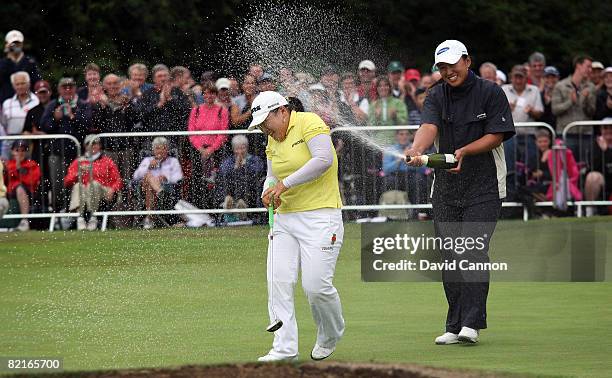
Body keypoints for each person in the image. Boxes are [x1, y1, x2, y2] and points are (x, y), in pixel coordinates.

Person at [406, 40, 515, 345]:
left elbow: (496, 135)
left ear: (467, 60)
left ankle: (471, 323)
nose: (448, 71)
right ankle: (454, 325)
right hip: (446, 187)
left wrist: (465, 150)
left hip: (485, 185)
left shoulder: (490, 92)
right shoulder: (437, 93)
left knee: (472, 250)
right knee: (451, 256)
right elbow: (428, 126)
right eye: (442, 67)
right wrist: (417, 149)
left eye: (452, 65)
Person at [249, 91, 344, 362]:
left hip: (321, 216)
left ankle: (330, 333)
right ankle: (284, 348)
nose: (264, 128)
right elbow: (271, 175)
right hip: (285, 218)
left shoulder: (309, 122)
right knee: (278, 281)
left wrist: (284, 185)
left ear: (282, 111)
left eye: (266, 121)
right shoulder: (271, 138)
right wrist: (268, 190)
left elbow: (323, 160)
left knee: (316, 287)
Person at [40, 77, 92, 213]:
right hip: (56, 153)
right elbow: (44, 126)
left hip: (78, 154)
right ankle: (59, 213)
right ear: (59, 89)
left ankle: (77, 214)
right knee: (57, 185)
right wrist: (55, 119)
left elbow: (87, 125)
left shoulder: (82, 104)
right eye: (64, 87)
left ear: (75, 88)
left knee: (77, 184)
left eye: (70, 86)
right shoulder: (53, 105)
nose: (68, 89)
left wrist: (72, 116)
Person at [64, 135, 122, 230]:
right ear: (85, 146)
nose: (93, 146)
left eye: (96, 143)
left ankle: (92, 217)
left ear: (100, 145)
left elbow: (118, 180)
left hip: (103, 191)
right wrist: (78, 174)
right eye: (90, 144)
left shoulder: (107, 161)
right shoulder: (78, 161)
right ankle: (80, 217)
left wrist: (113, 189)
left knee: (93, 184)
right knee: (79, 186)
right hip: (83, 191)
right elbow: (67, 181)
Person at [187, 83, 229, 209]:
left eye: (211, 93)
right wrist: (200, 148)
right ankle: (200, 208)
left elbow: (223, 133)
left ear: (215, 95)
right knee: (197, 180)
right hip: (198, 150)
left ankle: (215, 208)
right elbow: (191, 132)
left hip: (216, 151)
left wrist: (211, 149)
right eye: (206, 93)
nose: (209, 96)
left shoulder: (222, 110)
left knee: (217, 180)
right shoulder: (196, 110)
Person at [551, 55, 597, 162]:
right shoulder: (560, 85)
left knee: (585, 167)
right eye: (588, 66)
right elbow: (555, 110)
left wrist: (585, 101)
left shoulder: (590, 87)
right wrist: (570, 102)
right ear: (578, 66)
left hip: (585, 134)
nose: (590, 70)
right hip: (566, 133)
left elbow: (592, 112)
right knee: (566, 168)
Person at [132, 137, 183, 229]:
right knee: (147, 175)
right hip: (144, 190)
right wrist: (148, 167)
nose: (160, 151)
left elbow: (179, 177)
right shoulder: (147, 160)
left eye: (163, 148)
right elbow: (135, 176)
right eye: (157, 148)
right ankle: (160, 192)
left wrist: (166, 178)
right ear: (153, 150)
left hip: (167, 189)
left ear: (167, 149)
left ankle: (149, 218)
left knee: (150, 187)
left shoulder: (173, 161)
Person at [215, 135, 265, 222]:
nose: (240, 151)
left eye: (243, 148)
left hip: (249, 192)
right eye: (237, 148)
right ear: (233, 149)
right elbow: (222, 172)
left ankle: (242, 207)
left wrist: (244, 166)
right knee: (226, 182)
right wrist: (235, 167)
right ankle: (229, 204)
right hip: (231, 190)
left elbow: (258, 171)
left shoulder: (254, 160)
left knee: (247, 182)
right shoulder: (229, 161)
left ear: (247, 148)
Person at [1, 71, 39, 159]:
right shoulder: (7, 103)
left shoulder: (36, 101)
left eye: (23, 83)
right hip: (10, 143)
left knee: (28, 170)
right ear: (13, 86)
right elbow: (4, 123)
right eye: (17, 84)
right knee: (8, 170)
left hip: (30, 143)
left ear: (28, 84)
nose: (20, 86)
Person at [4, 140, 41, 231]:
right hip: (8, 192)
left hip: (28, 192)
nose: (20, 153)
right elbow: (3, 181)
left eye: (23, 150)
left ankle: (24, 220)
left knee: (19, 188)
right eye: (17, 150)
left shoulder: (32, 164)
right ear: (12, 152)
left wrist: (18, 169)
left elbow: (31, 181)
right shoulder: (7, 164)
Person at [0, 30, 42, 103]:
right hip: (6, 101)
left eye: (18, 43)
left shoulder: (30, 61)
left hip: (29, 101)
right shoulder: (2, 62)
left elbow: (37, 81)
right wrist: (8, 58)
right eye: (13, 44)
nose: (16, 46)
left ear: (22, 44)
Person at [368, 76, 408, 145]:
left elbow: (404, 123)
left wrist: (395, 116)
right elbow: (370, 127)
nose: (383, 88)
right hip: (378, 143)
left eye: (386, 85)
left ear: (390, 87)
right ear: (377, 88)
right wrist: (376, 117)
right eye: (380, 86)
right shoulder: (373, 105)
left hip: (395, 143)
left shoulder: (398, 103)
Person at [584, 123, 612, 216]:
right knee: (593, 177)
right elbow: (593, 166)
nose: (608, 130)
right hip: (604, 179)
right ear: (601, 129)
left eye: (611, 128)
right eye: (605, 128)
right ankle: (590, 212)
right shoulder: (595, 144)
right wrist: (602, 150)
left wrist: (607, 151)